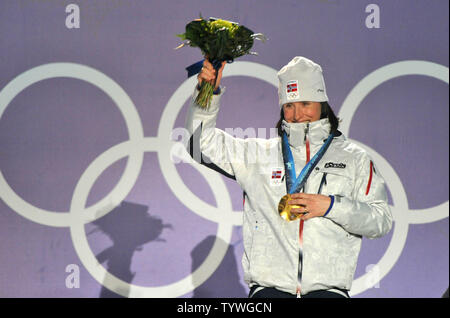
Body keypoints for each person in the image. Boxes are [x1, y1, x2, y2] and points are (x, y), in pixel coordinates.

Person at [184, 56, 393, 298]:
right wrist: (207, 90)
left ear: (322, 104)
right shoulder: (258, 155)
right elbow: (198, 144)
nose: (297, 114)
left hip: (328, 292)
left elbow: (381, 220)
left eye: (306, 103)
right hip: (269, 291)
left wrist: (332, 206)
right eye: (289, 106)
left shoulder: (355, 158)